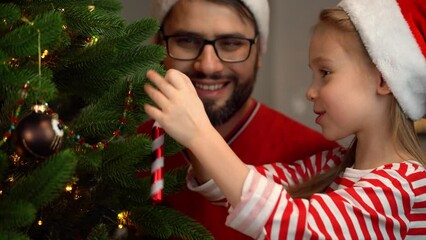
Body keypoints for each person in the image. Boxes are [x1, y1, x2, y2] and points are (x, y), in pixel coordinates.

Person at [143, 0, 426, 238]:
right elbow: (232, 185)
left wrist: (199, 133)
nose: (310, 92)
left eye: (325, 72)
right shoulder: (330, 166)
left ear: (383, 78)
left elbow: (292, 225)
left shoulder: (404, 187)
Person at [137, 0, 338, 239]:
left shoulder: (320, 163)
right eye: (187, 41)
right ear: (157, 44)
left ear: (259, 51)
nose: (208, 66)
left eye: (231, 44)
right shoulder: (118, 152)